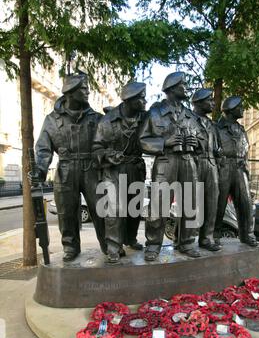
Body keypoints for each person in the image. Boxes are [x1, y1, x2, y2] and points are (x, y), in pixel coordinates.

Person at [32, 72, 105, 261]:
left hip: (91, 170)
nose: (88, 92)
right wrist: (40, 169)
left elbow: (106, 142)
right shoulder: (51, 120)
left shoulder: (96, 118)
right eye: (83, 89)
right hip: (65, 170)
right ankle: (70, 246)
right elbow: (43, 149)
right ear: (70, 93)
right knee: (66, 212)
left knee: (100, 209)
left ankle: (108, 244)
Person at [139, 71, 201, 261]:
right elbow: (142, 141)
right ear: (172, 89)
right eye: (183, 85)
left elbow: (201, 141)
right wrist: (165, 142)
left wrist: (196, 142)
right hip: (166, 162)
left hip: (188, 162)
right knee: (159, 203)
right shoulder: (155, 113)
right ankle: (153, 244)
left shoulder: (190, 115)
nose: (187, 88)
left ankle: (187, 242)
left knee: (190, 203)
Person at [92, 82, 147, 263]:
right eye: (141, 98)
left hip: (136, 167)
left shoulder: (145, 118)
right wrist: (108, 155)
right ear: (130, 100)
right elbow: (96, 148)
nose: (144, 101)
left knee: (135, 207)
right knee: (114, 209)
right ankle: (114, 247)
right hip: (114, 169)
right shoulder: (107, 121)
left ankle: (130, 239)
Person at [214, 95, 257, 247]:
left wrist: (245, 166)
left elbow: (246, 149)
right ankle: (214, 235)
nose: (243, 109)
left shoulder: (241, 129)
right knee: (218, 204)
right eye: (240, 107)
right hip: (223, 167)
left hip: (240, 168)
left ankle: (247, 234)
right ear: (231, 110)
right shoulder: (216, 128)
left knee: (245, 203)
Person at [192, 88, 221, 251]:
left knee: (212, 201)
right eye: (209, 100)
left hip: (211, 164)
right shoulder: (188, 119)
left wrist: (218, 153)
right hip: (195, 162)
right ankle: (182, 237)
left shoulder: (211, 124)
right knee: (190, 202)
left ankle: (207, 238)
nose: (213, 103)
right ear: (198, 102)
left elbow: (215, 146)